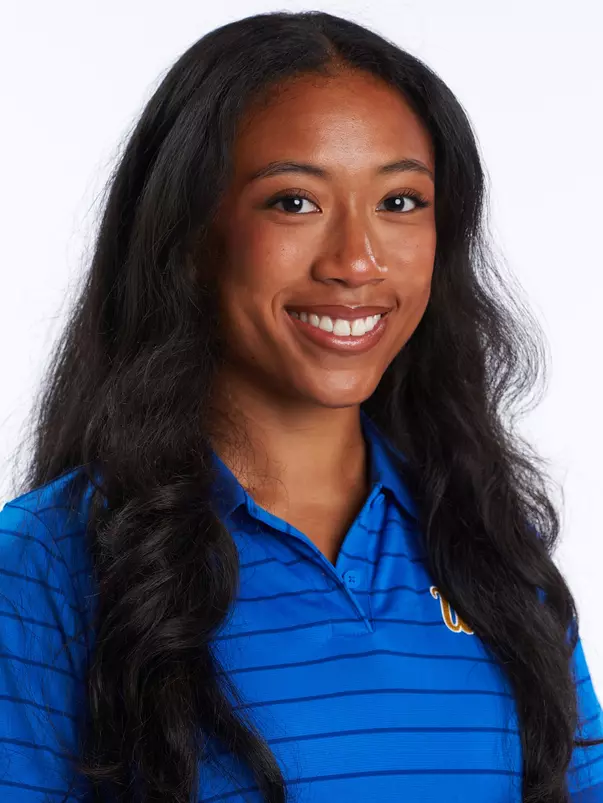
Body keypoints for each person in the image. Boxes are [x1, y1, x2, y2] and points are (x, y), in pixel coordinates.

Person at [0, 9, 601, 803]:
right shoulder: (45, 560)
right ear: (188, 237)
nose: (356, 261)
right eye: (293, 202)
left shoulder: (488, 543)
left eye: (399, 202)